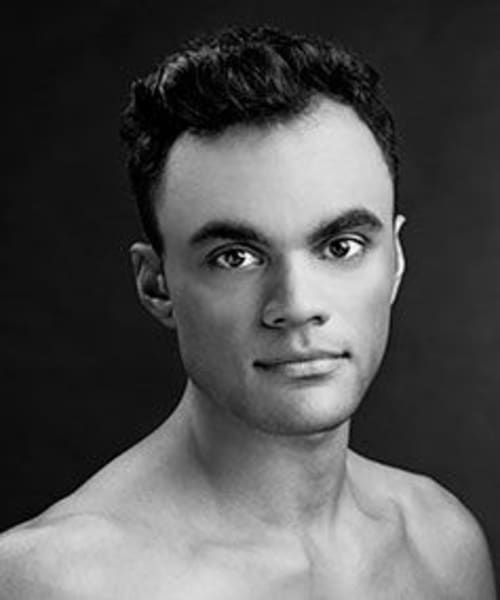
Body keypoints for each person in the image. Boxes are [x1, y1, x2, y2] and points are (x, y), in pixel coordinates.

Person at [0, 25, 496, 599]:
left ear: (396, 261)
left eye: (341, 247)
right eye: (235, 257)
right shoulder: (58, 582)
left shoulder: (442, 543)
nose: (297, 306)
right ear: (157, 285)